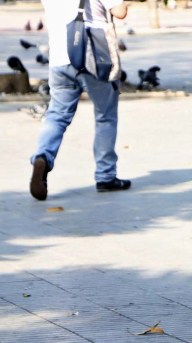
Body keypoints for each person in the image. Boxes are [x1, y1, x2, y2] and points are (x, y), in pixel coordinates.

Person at [30, 0, 130, 201]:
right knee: (105, 116)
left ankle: (42, 157)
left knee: (56, 115)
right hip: (93, 57)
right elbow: (119, 12)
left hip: (59, 58)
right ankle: (106, 176)